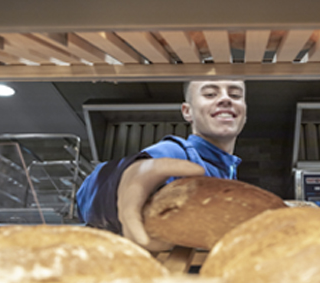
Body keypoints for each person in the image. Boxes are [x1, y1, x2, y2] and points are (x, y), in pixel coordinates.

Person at [76, 80, 247, 251]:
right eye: (210, 94)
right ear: (188, 112)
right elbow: (87, 198)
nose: (225, 99)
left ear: (244, 112)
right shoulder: (175, 152)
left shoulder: (227, 169)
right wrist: (125, 179)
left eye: (235, 95)